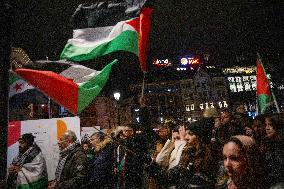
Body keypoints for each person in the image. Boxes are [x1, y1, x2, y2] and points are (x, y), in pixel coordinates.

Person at [148, 118, 218, 189]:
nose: (186, 137)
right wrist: (151, 164)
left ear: (201, 137)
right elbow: (169, 176)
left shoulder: (210, 158)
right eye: (186, 133)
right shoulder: (188, 155)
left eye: (191, 134)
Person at [260, 113, 284, 188]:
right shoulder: (266, 141)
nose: (267, 128)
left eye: (270, 125)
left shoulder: (280, 145)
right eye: (266, 125)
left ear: (277, 125)